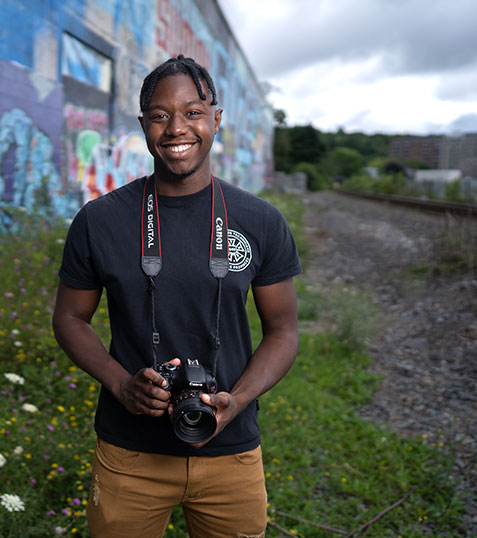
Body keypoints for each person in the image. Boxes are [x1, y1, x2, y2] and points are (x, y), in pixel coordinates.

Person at [52, 55, 301, 538]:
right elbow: (69, 319)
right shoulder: (100, 220)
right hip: (130, 453)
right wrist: (121, 384)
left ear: (216, 119)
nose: (176, 128)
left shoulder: (260, 221)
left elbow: (284, 330)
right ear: (143, 124)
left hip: (230, 448)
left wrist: (239, 399)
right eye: (161, 115)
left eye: (193, 111)